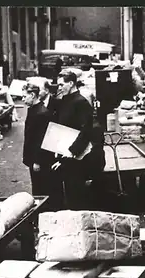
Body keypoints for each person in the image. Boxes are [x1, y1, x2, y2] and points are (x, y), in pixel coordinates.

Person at [53, 69, 105, 210]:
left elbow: (86, 130)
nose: (59, 88)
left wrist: (72, 151)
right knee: (69, 190)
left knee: (76, 192)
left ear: (70, 83)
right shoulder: (65, 100)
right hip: (66, 152)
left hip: (76, 156)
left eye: (61, 85)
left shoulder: (81, 102)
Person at [21, 83, 55, 204]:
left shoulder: (41, 113)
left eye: (24, 96)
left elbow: (42, 139)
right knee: (37, 186)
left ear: (32, 95)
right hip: (34, 158)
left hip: (40, 160)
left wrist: (37, 160)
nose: (22, 99)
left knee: (40, 188)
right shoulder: (35, 110)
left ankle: (42, 212)